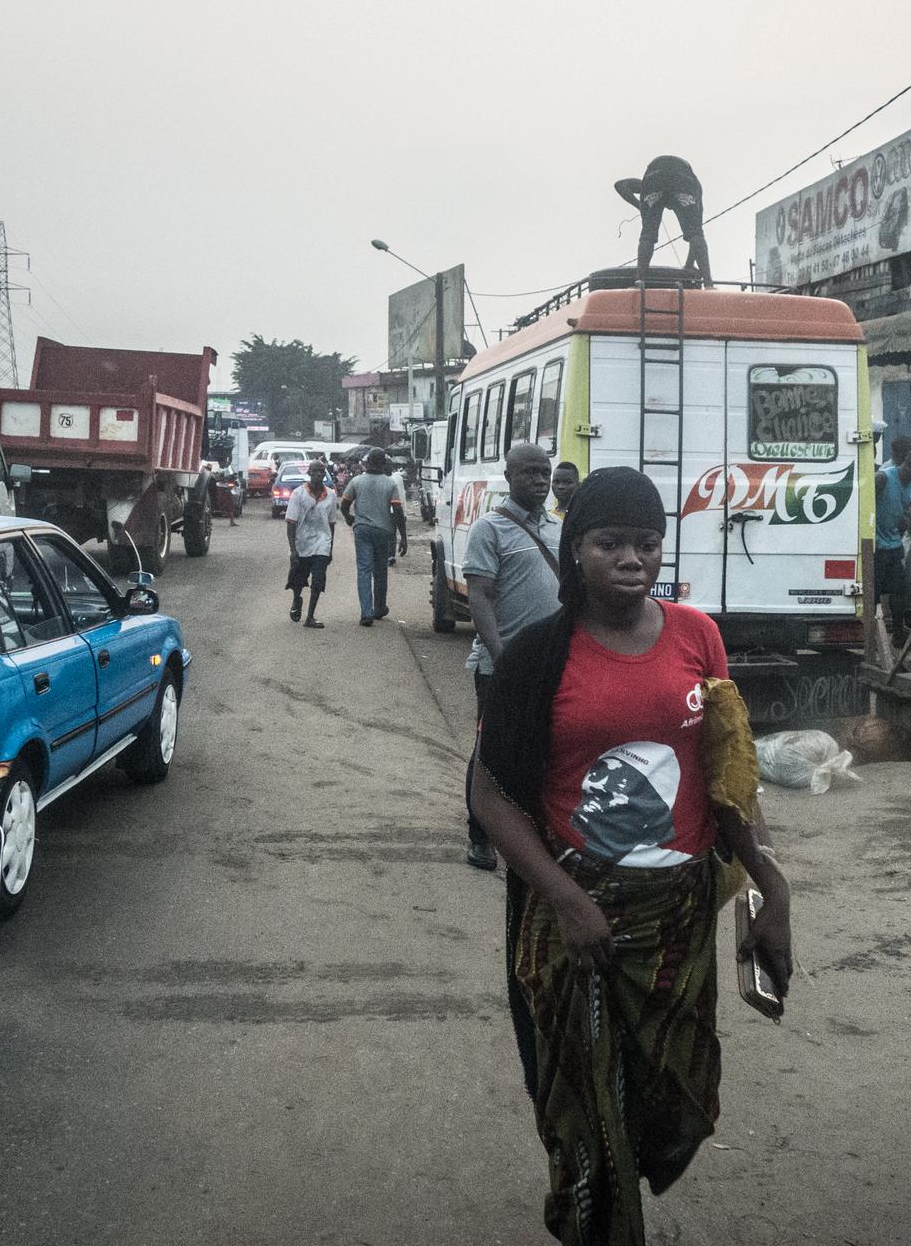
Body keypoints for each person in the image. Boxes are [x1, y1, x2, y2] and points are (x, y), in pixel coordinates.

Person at [470, 467, 792, 1245]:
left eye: (647, 543)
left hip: (678, 919)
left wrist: (771, 886)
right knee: (590, 1117)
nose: (631, 559)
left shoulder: (697, 635)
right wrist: (564, 900)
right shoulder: (536, 659)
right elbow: (488, 797)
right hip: (579, 924)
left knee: (675, 1102)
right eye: (609, 542)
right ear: (575, 549)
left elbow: (729, 774)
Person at [464, 442, 562, 872]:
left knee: (546, 749)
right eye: (530, 473)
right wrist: (503, 658)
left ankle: (534, 834)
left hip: (552, 665)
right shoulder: (489, 529)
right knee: (491, 752)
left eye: (545, 472)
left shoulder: (559, 528)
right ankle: (480, 836)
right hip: (501, 665)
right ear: (509, 476)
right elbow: (480, 597)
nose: (540, 481)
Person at [614, 155, 712, 287]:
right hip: (683, 175)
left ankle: (640, 280)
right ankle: (708, 283)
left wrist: (642, 207)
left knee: (648, 234)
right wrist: (688, 266)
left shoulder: (645, 186)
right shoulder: (696, 188)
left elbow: (620, 185)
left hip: (654, 174)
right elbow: (696, 234)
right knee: (696, 233)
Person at [344, 447, 409, 626]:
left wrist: (349, 517)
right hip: (384, 532)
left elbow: (344, 503)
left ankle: (366, 612)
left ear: (367, 463)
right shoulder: (390, 484)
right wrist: (403, 537)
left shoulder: (356, 481)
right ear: (383, 464)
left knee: (364, 570)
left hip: (362, 530)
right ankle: (379, 607)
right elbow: (397, 511)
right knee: (380, 571)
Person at [874, 448, 911, 630]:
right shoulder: (882, 478)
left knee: (900, 590)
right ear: (909, 465)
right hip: (874, 546)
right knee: (873, 592)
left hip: (893, 544)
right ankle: (871, 636)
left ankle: (898, 634)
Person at [284, 459, 337, 629]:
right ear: (309, 473)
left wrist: (330, 549)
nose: (319, 475)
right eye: (315, 471)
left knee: (318, 580)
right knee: (299, 579)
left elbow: (331, 523)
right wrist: (293, 550)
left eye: (322, 472)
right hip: (303, 543)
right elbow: (291, 522)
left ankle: (310, 616)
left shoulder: (331, 495)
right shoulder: (298, 494)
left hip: (322, 543)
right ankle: (296, 599)